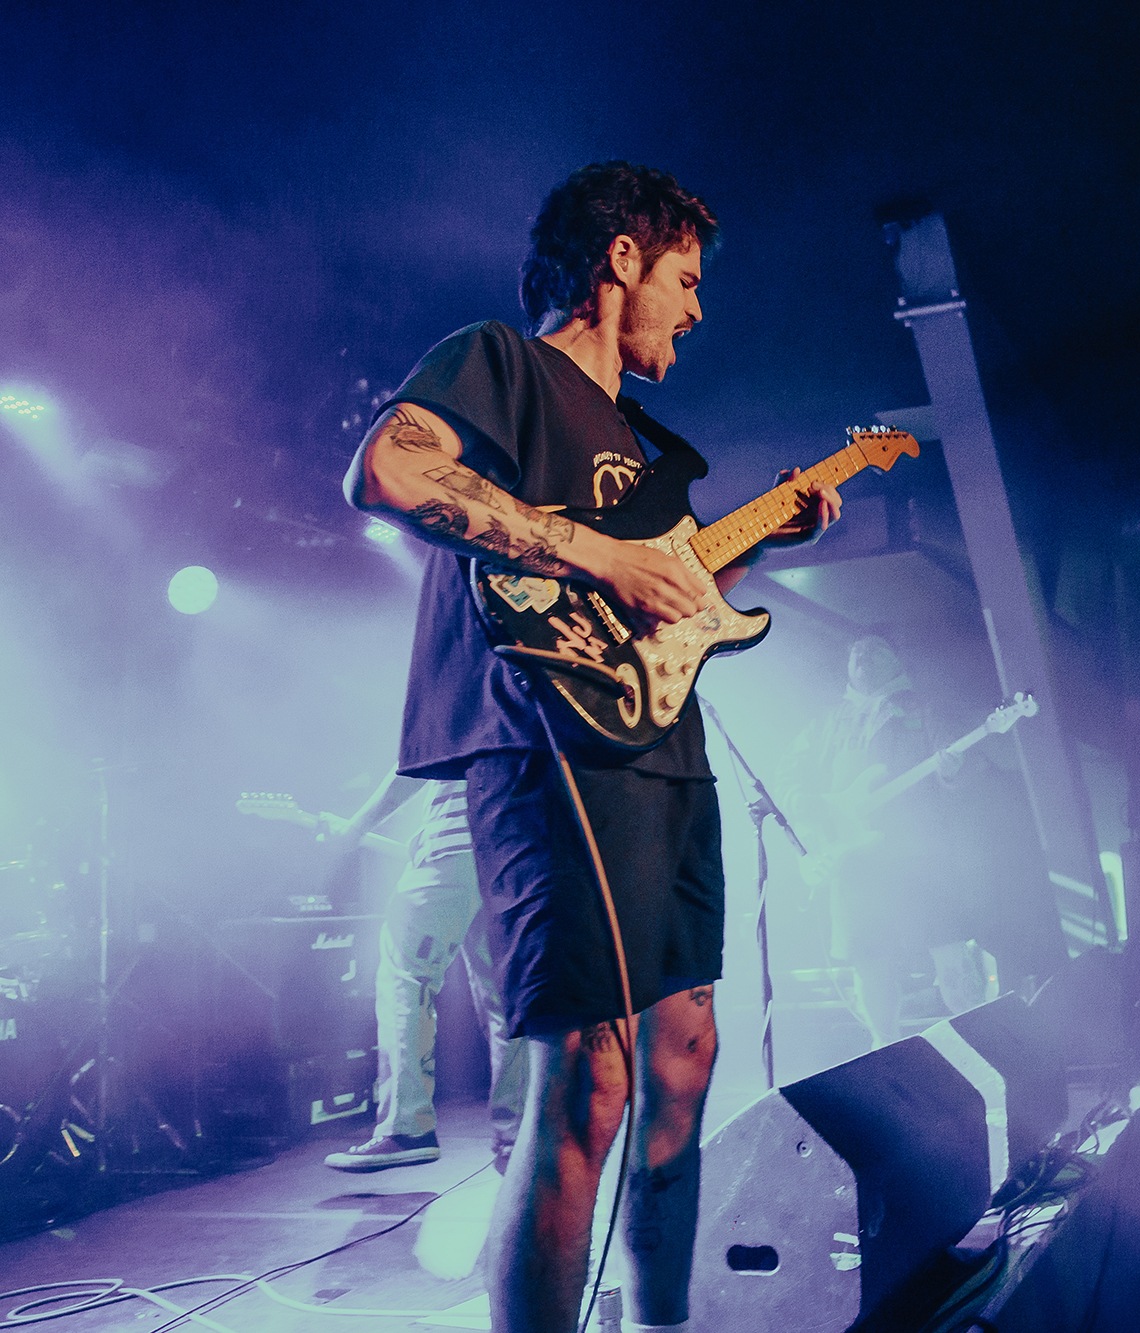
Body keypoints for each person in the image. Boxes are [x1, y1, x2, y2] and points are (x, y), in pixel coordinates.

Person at [345, 161, 841, 1333]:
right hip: (545, 744)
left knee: (684, 1054)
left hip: (662, 743)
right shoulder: (501, 364)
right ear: (622, 257)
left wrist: (757, 544)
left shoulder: (646, 443)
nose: (697, 307)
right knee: (589, 1075)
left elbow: (666, 598)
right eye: (686, 277)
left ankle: (662, 1322)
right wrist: (598, 553)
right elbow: (389, 470)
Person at [318, 774, 526, 1173]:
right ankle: (516, 1137)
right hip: (515, 848)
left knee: (406, 977)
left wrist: (353, 828)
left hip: (453, 847)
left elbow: (413, 764)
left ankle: (407, 1127)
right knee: (504, 998)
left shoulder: (454, 720)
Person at [786, 636, 984, 1048]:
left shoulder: (922, 710)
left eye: (875, 648)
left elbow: (962, 776)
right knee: (869, 960)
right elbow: (791, 777)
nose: (862, 654)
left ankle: (982, 1044)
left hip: (919, 855)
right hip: (853, 862)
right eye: (855, 650)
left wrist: (952, 770)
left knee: (949, 949)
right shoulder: (827, 722)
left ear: (896, 659)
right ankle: (884, 1048)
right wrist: (809, 805)